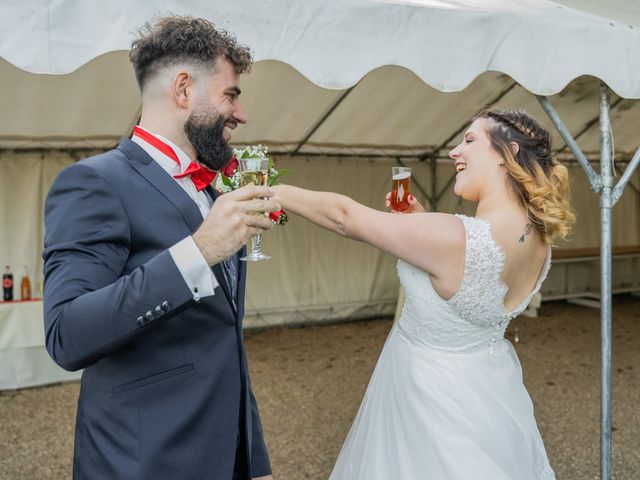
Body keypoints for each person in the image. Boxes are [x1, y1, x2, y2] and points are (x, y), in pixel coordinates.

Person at [272, 109, 574, 479]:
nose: (454, 152)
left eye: (469, 140)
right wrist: (422, 224)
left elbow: (345, 217)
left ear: (506, 153)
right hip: (488, 394)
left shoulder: (457, 237)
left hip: (428, 401)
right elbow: (465, 280)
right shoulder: (539, 239)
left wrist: (275, 191)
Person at [43, 16, 279, 480]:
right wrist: (197, 252)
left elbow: (225, 340)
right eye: (231, 94)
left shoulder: (214, 194)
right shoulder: (93, 182)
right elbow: (66, 333)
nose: (242, 113)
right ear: (184, 89)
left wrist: (253, 459)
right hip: (144, 461)